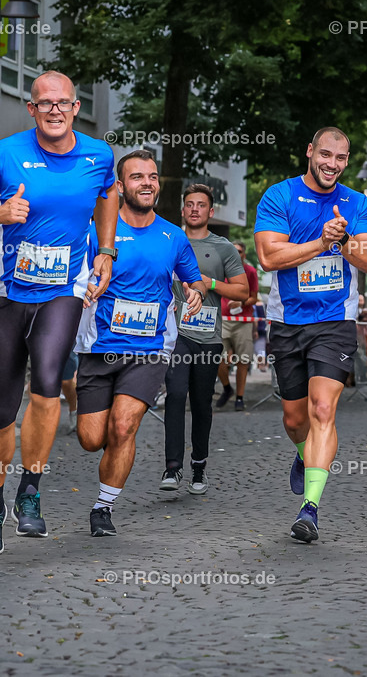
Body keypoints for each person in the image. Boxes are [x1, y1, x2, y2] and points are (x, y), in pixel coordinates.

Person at [0, 70, 117, 554]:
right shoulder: (4, 154)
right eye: (44, 103)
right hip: (4, 291)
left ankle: (30, 490)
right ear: (31, 108)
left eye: (62, 103)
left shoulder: (98, 155)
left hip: (62, 288)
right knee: (1, 408)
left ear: (75, 108)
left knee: (47, 380)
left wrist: (105, 251)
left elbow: (108, 194)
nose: (54, 111)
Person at [255, 127, 367, 543]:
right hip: (288, 321)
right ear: (310, 152)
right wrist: (318, 242)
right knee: (296, 420)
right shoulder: (279, 196)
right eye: (325, 154)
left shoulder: (357, 202)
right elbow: (269, 256)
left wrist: (342, 239)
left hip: (335, 321)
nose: (332, 164)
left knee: (323, 411)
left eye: (340, 158)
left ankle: (309, 509)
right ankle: (303, 454)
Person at [75, 150, 205, 536]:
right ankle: (110, 456)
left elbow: (192, 279)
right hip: (99, 347)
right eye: (137, 177)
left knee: (125, 426)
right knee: (90, 438)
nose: (147, 183)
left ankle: (103, 507)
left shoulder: (173, 236)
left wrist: (195, 292)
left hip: (148, 351)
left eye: (152, 176)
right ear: (120, 186)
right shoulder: (98, 232)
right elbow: (75, 279)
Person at [162, 184, 248, 494]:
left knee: (201, 403)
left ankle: (199, 466)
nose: (194, 209)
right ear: (182, 210)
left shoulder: (223, 247)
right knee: (174, 394)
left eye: (201, 205)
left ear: (211, 212)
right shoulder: (169, 240)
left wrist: (210, 283)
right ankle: (172, 467)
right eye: (189, 204)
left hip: (209, 338)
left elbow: (243, 291)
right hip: (177, 335)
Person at [217, 242, 259, 411]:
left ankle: (239, 397)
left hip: (243, 320)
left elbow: (254, 298)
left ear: (244, 254)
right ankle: (227, 388)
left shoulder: (250, 272)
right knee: (217, 357)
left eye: (239, 251)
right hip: (223, 320)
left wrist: (241, 301)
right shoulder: (220, 270)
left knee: (243, 360)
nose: (236, 253)